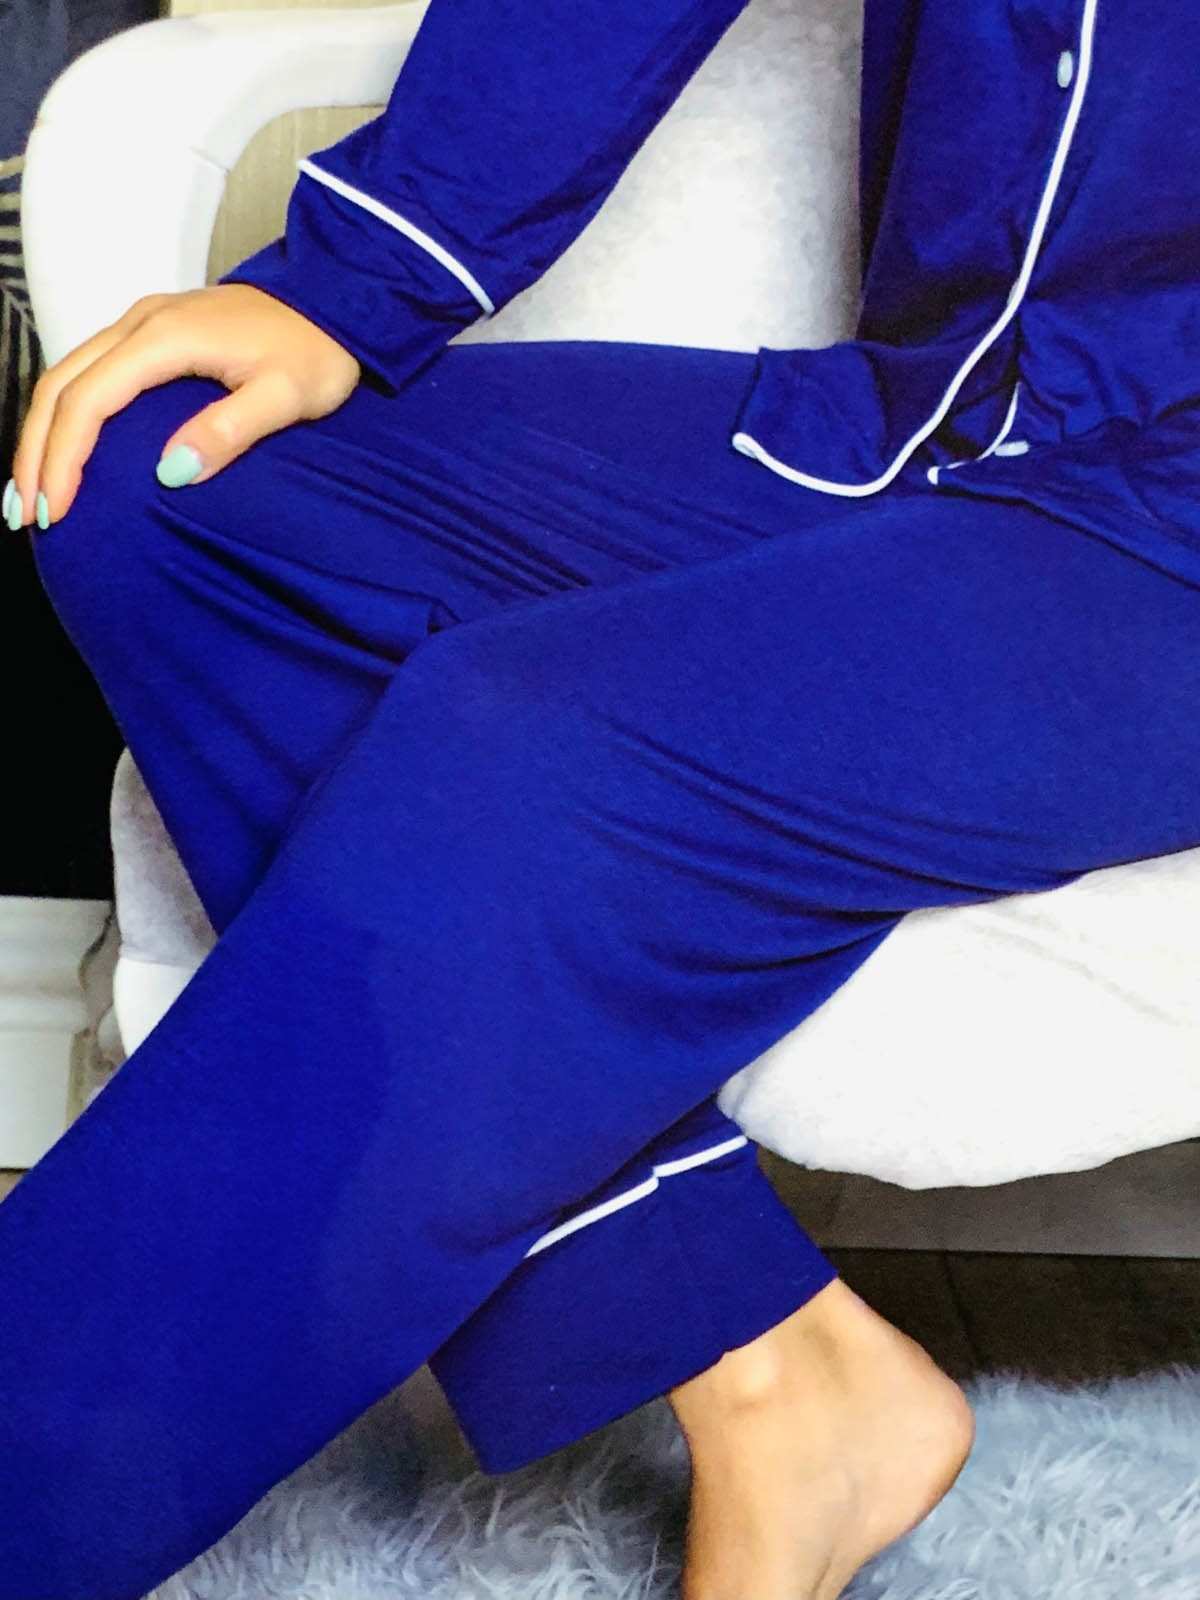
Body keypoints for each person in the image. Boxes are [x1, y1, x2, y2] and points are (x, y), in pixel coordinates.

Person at [3, 0, 1199, 1595]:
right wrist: (352, 280)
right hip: (932, 421)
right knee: (157, 483)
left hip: (1168, 543)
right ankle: (762, 1366)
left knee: (524, 753)